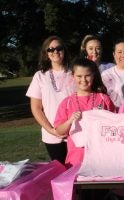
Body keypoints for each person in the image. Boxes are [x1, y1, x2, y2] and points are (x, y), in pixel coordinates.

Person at [54, 58, 115, 167]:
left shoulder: (103, 98)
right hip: (76, 158)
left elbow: (115, 126)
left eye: (87, 75)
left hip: (102, 157)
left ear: (93, 76)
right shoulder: (67, 103)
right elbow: (59, 131)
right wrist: (70, 121)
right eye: (79, 76)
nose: (84, 80)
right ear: (73, 77)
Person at [26, 35, 76, 164]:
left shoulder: (75, 73)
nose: (55, 51)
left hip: (76, 133)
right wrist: (51, 130)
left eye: (59, 48)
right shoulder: (40, 76)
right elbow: (36, 108)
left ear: (64, 50)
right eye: (51, 49)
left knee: (78, 172)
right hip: (52, 136)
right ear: (46, 53)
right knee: (60, 172)